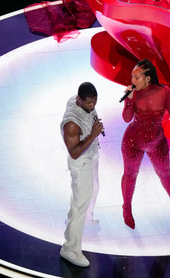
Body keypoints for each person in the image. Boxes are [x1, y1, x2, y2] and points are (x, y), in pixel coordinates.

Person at [121, 59, 170, 229]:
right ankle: (127, 209)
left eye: (136, 77)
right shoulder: (133, 93)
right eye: (132, 77)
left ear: (148, 79)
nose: (132, 81)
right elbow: (127, 118)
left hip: (157, 141)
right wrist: (128, 100)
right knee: (130, 175)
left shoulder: (164, 92)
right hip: (133, 141)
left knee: (165, 173)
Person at [60, 82, 104, 267]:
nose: (92, 106)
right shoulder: (71, 123)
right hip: (81, 163)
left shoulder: (79, 100)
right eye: (89, 103)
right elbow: (75, 152)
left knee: (93, 190)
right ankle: (70, 249)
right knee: (80, 203)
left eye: (94, 102)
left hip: (91, 156)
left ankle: (82, 217)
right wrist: (93, 134)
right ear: (79, 100)